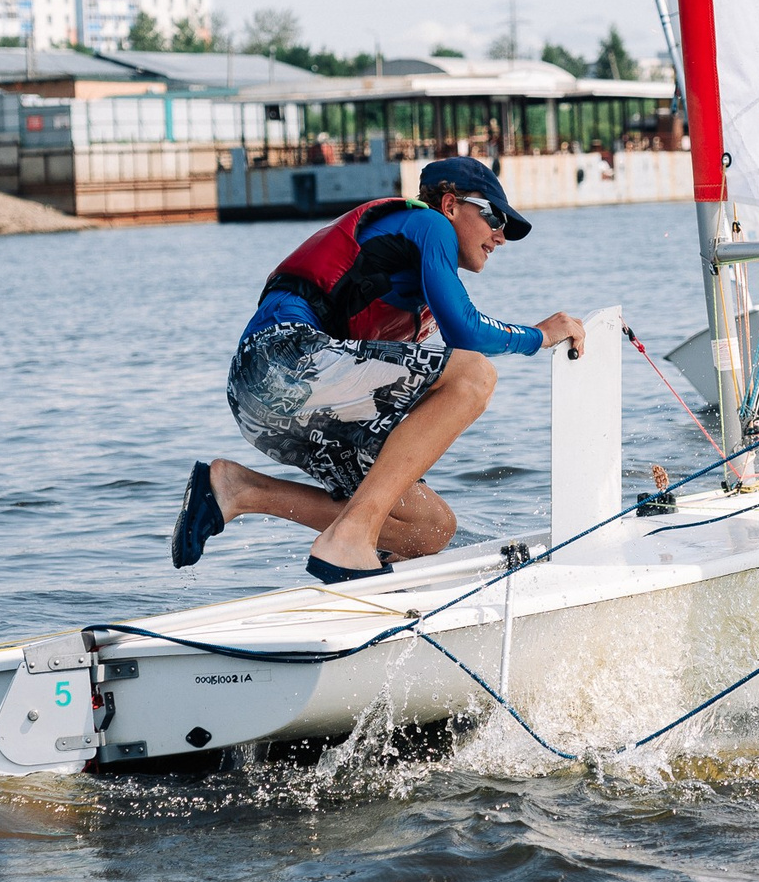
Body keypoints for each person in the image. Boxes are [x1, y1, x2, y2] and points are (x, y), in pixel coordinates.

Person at [174, 157, 584, 584]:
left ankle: (239, 490)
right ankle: (351, 538)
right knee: (474, 376)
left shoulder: (412, 297)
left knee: (428, 528)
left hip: (278, 403)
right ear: (450, 205)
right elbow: (466, 333)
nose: (500, 236)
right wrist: (539, 336)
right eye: (494, 217)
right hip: (278, 361)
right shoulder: (429, 226)